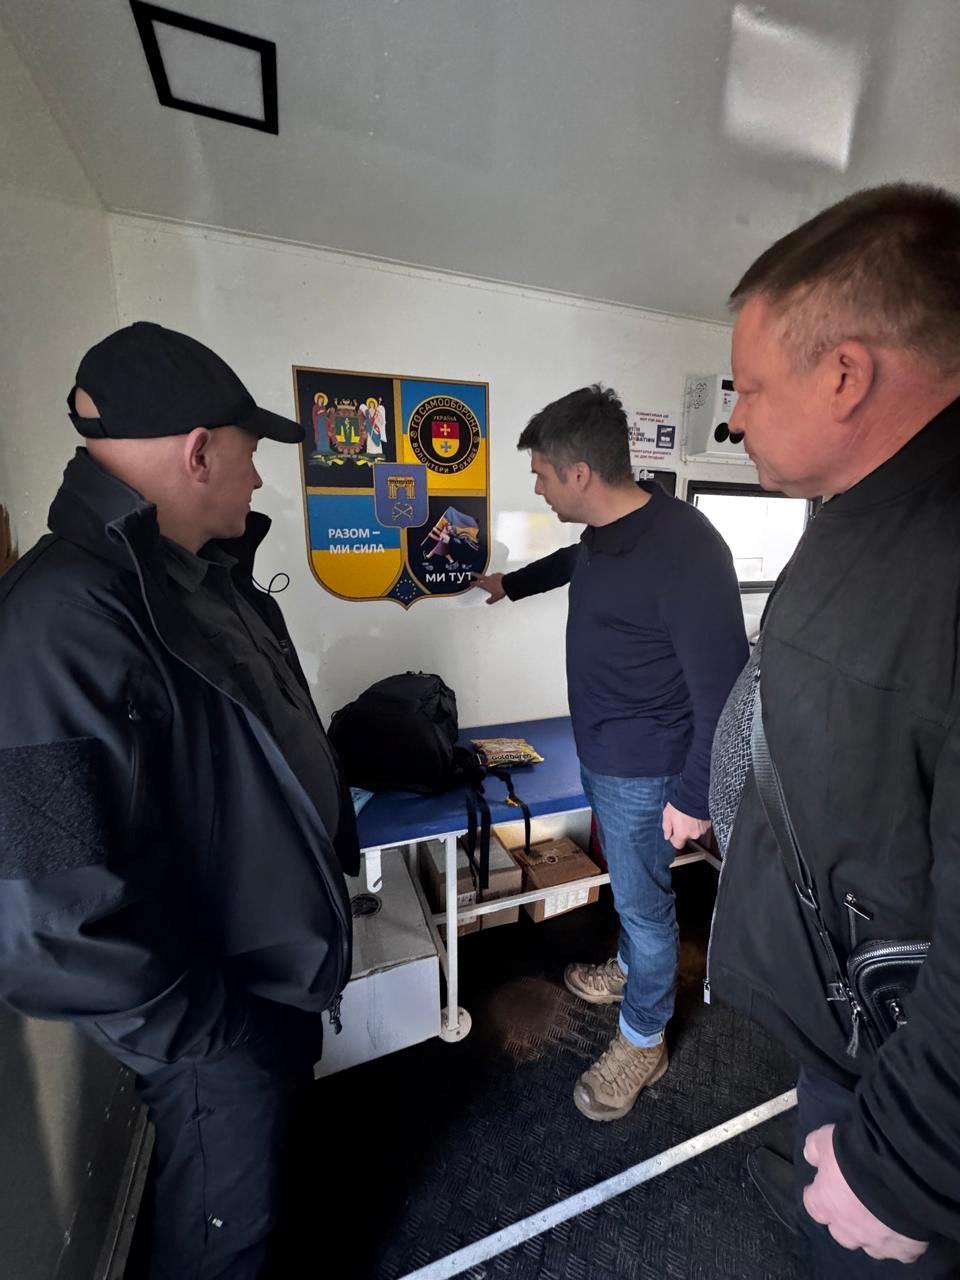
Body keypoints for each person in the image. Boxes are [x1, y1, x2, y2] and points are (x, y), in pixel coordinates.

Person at [0, 322, 359, 1279]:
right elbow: (47, 923)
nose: (258, 478)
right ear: (199, 452)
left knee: (269, 1211)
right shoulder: (57, 620)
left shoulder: (198, 575)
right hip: (214, 1023)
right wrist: (216, 1034)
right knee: (220, 1247)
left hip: (266, 985)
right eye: (249, 454)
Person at [708, 183, 960, 1275]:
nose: (734, 417)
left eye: (751, 388)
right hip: (847, 1023)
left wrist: (909, 1161)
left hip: (913, 1096)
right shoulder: (862, 512)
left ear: (846, 374)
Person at [473, 385, 747, 1120]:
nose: (537, 486)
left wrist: (693, 795)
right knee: (634, 892)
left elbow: (726, 692)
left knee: (647, 909)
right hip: (601, 754)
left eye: (541, 474)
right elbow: (574, 561)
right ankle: (629, 968)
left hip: (651, 771)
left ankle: (643, 1039)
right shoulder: (604, 532)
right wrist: (509, 584)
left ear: (580, 474)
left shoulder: (688, 551)